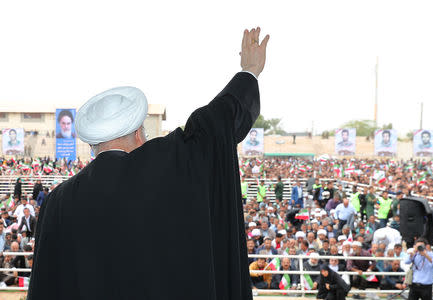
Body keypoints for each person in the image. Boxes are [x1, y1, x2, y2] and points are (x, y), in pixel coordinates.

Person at [28, 27, 270, 300]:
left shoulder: (57, 202)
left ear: (93, 144)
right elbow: (215, 124)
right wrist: (249, 71)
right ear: (140, 132)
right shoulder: (169, 165)